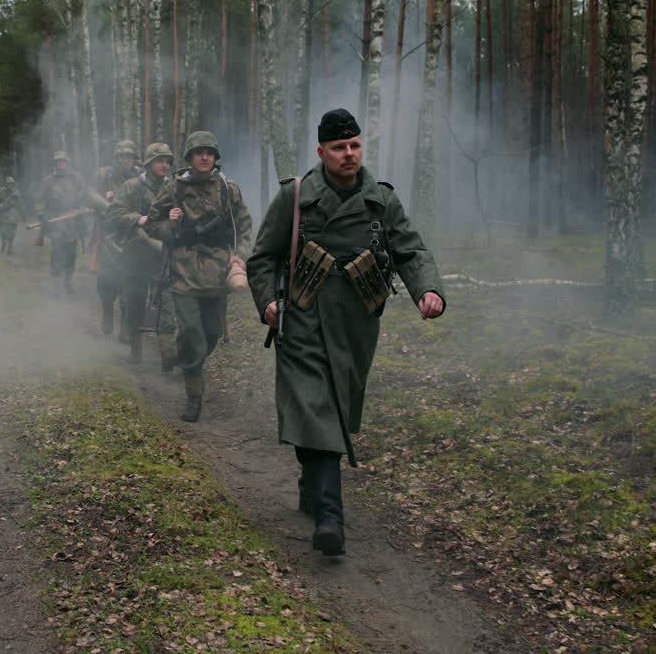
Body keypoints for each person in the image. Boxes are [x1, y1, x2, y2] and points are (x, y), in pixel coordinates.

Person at [245, 108, 446, 557]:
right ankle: (330, 519)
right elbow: (262, 258)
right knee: (317, 410)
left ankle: (311, 483)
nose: (349, 154)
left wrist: (428, 291)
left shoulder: (381, 200)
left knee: (333, 411)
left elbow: (411, 251)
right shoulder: (295, 197)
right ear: (321, 152)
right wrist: (268, 303)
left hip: (356, 326)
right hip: (303, 321)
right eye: (339, 147)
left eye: (354, 145)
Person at [143, 131, 252, 423]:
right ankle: (194, 393)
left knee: (211, 336)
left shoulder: (229, 189)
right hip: (184, 274)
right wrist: (171, 223)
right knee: (192, 333)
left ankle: (186, 359)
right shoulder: (174, 189)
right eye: (199, 152)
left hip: (218, 274)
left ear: (215, 157)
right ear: (190, 157)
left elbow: (245, 227)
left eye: (210, 152)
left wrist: (240, 255)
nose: (205, 157)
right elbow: (153, 225)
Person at [105, 142, 177, 367]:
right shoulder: (131, 187)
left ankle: (167, 355)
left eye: (167, 161)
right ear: (148, 164)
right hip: (135, 256)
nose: (165, 165)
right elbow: (113, 213)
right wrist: (139, 219)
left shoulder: (174, 188)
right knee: (135, 304)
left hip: (164, 257)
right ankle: (135, 352)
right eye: (159, 161)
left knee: (167, 306)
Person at [91, 140, 143, 339]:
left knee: (129, 283)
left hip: (132, 233)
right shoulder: (103, 174)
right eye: (122, 156)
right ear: (116, 157)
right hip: (108, 235)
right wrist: (107, 204)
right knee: (106, 281)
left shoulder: (140, 176)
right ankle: (107, 311)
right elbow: (88, 193)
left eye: (129, 156)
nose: (126, 160)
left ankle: (125, 327)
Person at [36, 151, 88, 295]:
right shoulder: (48, 181)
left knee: (71, 254)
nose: (61, 164)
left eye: (63, 161)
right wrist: (41, 214)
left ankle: (68, 282)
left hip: (73, 221)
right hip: (56, 222)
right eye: (58, 162)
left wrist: (82, 207)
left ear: (67, 163)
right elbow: (40, 200)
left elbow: (84, 194)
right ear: (55, 164)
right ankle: (57, 285)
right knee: (58, 253)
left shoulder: (77, 178)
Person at [0, 175, 22, 254]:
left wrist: (21, 213)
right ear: (6, 184)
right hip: (2, 214)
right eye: (8, 183)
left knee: (12, 232)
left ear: (13, 184)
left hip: (13, 214)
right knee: (2, 231)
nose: (9, 185)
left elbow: (20, 203)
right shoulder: (1, 191)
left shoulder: (16, 192)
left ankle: (10, 247)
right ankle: (3, 244)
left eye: (11, 183)